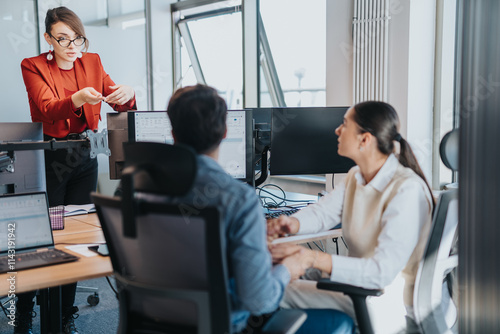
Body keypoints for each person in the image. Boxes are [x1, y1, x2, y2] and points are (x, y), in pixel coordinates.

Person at [163, 84, 353, 334]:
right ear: (225, 132)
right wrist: (288, 269)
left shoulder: (139, 191)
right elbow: (259, 301)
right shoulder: (238, 199)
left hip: (159, 317)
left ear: (173, 133)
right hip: (225, 324)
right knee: (345, 318)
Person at [18, 6, 136, 334]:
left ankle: (66, 312)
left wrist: (127, 95)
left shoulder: (92, 62)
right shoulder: (34, 66)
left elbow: (116, 100)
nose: (72, 46)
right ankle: (25, 313)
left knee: (76, 236)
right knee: (42, 238)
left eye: (77, 38)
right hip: (50, 159)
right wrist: (78, 98)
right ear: (48, 39)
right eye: (63, 38)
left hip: (84, 155)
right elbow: (46, 108)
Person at [268, 101, 434, 333]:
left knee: (275, 289)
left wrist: (311, 258)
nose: (337, 130)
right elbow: (323, 213)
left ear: (364, 139)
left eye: (345, 124)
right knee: (281, 272)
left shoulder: (406, 190)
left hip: (386, 301)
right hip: (360, 285)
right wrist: (292, 223)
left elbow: (381, 272)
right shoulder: (356, 176)